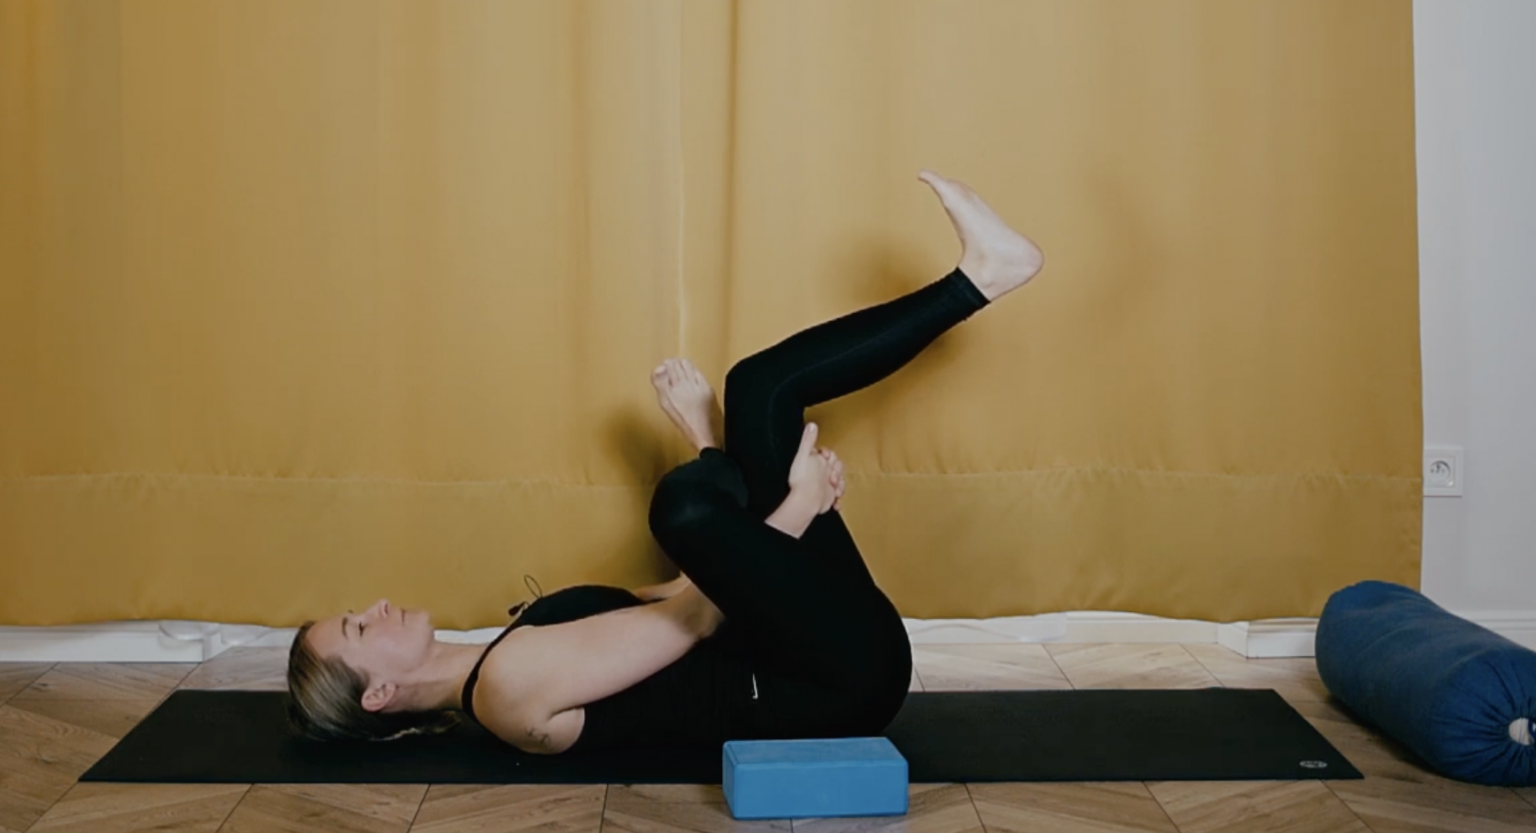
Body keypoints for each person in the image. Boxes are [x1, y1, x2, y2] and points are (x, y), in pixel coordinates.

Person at [286, 170, 1045, 753]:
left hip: (803, 633)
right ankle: (723, 446)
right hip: (835, 679)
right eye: (358, 628)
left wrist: (732, 464)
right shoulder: (506, 690)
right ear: (378, 693)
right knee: (681, 509)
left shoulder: (503, 658)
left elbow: (690, 586)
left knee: (759, 390)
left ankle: (985, 274)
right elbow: (696, 615)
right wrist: (798, 505)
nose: (374, 606)